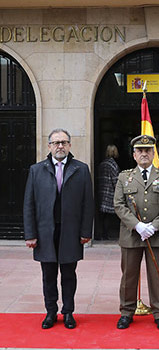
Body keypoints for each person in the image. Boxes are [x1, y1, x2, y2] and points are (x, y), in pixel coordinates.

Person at [23, 128, 94, 330]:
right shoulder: (36, 170)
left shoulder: (81, 169)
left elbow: (87, 204)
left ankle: (68, 312)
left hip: (70, 232)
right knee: (48, 274)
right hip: (45, 232)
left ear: (70, 145)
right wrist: (30, 234)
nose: (60, 146)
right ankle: (51, 312)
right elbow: (29, 204)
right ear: (49, 146)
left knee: (69, 274)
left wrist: (86, 231)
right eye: (56, 143)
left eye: (64, 142)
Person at [114, 135, 159, 331]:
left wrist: (154, 226)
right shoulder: (124, 177)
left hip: (157, 235)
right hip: (131, 234)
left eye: (148, 150)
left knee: (157, 275)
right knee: (129, 276)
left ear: (153, 153)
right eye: (140, 151)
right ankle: (126, 311)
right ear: (134, 155)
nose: (144, 154)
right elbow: (118, 204)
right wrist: (137, 225)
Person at [98, 144, 120, 240]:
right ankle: (106, 234)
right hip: (110, 191)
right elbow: (116, 180)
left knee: (103, 216)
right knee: (108, 216)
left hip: (102, 190)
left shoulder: (102, 164)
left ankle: (102, 234)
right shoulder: (113, 164)